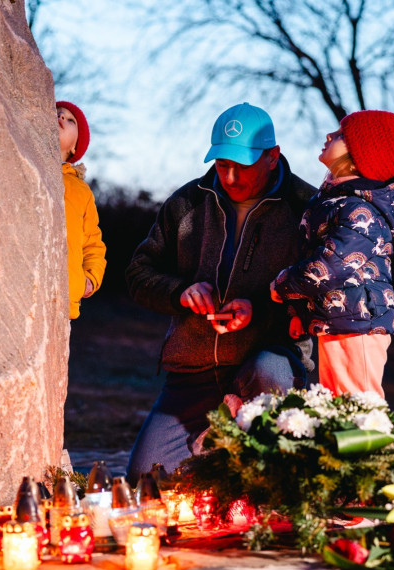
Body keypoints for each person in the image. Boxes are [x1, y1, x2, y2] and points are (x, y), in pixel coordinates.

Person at [124, 102, 317, 483]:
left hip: (270, 364)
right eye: (221, 164)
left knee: (267, 370)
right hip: (193, 370)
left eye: (241, 166)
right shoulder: (187, 202)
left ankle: (266, 476)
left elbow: (320, 294)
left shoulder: (304, 208)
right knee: (146, 480)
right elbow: (138, 274)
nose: (229, 177)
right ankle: (215, 457)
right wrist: (180, 291)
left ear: (272, 156)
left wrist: (259, 310)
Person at [270, 109, 394, 398]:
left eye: (341, 135)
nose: (330, 135)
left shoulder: (359, 210)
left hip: (359, 324)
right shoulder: (335, 200)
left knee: (358, 401)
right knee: (340, 401)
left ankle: (373, 431)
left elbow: (329, 266)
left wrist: (284, 283)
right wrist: (300, 313)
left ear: (360, 156)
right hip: (340, 319)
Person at [57, 100, 106, 320]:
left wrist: (90, 278)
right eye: (56, 113)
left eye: (70, 120)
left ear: (75, 147)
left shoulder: (81, 190)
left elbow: (93, 242)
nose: (60, 118)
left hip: (64, 298)